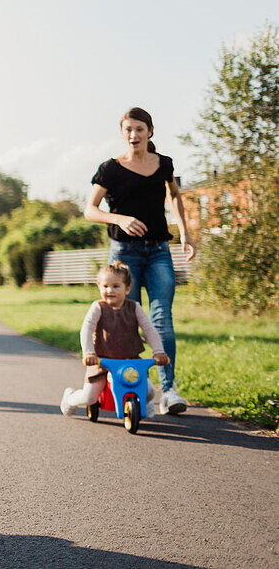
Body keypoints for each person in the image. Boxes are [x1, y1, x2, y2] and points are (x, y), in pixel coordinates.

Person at [84, 107, 196, 415]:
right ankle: (130, 387)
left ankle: (168, 391)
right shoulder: (111, 169)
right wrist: (118, 218)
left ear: (150, 131)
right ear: (123, 133)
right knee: (123, 323)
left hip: (159, 250)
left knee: (162, 322)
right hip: (125, 254)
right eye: (128, 129)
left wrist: (185, 233)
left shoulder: (164, 164)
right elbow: (90, 209)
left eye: (139, 129)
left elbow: (174, 196)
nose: (133, 135)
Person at [60, 261, 170, 416]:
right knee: (90, 397)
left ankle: (144, 403)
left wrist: (158, 351)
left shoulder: (134, 307)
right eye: (105, 286)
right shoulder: (98, 307)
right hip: (102, 361)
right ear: (99, 287)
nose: (109, 290)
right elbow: (87, 328)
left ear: (128, 288)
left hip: (130, 361)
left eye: (116, 286)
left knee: (150, 392)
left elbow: (149, 329)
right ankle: (70, 398)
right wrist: (89, 353)